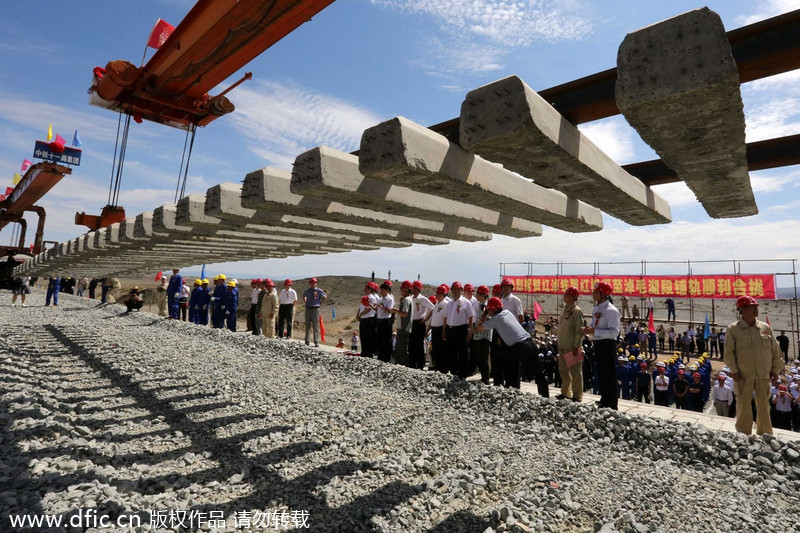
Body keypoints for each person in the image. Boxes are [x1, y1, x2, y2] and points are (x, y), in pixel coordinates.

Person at [724, 296, 784, 435]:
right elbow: (728, 353)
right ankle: (743, 433)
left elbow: (776, 351)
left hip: (763, 374)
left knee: (763, 404)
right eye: (753, 307)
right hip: (743, 375)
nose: (756, 309)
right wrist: (734, 370)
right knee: (743, 404)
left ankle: (765, 433)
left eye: (756, 307)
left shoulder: (765, 328)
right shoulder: (733, 329)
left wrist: (775, 370)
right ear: (742, 310)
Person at [475, 297, 548, 395]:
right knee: (537, 372)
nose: (488, 311)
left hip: (520, 347)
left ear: (493, 309)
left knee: (498, 359)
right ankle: (545, 396)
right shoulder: (507, 313)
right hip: (530, 342)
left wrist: (484, 313)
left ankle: (499, 386)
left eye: (489, 309)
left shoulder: (496, 319)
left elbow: (480, 326)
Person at [582, 282, 620, 409]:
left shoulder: (611, 310)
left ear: (603, 294)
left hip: (608, 345)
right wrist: (590, 329)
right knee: (602, 373)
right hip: (598, 343)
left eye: (596, 292)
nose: (593, 294)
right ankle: (604, 399)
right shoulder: (597, 308)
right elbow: (596, 325)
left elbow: (614, 332)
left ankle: (612, 404)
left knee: (609, 374)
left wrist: (595, 331)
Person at [556, 287, 584, 402]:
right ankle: (565, 392)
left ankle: (577, 395)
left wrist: (576, 345)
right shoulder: (564, 309)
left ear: (573, 297)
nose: (564, 296)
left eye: (567, 295)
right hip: (562, 344)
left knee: (575, 372)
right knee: (564, 371)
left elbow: (579, 330)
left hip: (572, 345)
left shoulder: (577, 311)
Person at [443, 281, 475, 378]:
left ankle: (463, 374)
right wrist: (444, 331)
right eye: (454, 289)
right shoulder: (449, 304)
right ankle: (453, 372)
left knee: (463, 353)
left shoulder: (466, 302)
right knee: (451, 352)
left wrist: (470, 331)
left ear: (461, 290)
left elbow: (471, 317)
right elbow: (445, 318)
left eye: (458, 289)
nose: (456, 291)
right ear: (451, 291)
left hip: (461, 330)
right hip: (450, 329)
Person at [469, 285, 493, 385]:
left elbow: (488, 320)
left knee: (484, 357)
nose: (476, 295)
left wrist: (476, 329)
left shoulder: (486, 306)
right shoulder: (480, 304)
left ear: (482, 295)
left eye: (478, 294)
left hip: (483, 335)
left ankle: (485, 378)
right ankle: (483, 377)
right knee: (479, 357)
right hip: (478, 334)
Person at [409, 280, 434, 369]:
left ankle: (420, 364)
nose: (413, 289)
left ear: (418, 289)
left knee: (419, 344)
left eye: (415, 288)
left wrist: (426, 319)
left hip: (419, 323)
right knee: (411, 343)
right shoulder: (411, 298)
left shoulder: (422, 299)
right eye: (413, 288)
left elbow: (433, 308)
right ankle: (412, 363)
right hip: (411, 323)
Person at [390, 280, 414, 366]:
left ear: (407, 289)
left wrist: (395, 311)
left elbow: (404, 314)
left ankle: (404, 365)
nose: (400, 290)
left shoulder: (406, 300)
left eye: (402, 288)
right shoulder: (407, 299)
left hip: (404, 327)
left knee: (402, 348)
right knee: (400, 348)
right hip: (403, 327)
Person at [429, 285, 450, 372]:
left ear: (443, 294)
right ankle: (437, 367)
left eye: (438, 293)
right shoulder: (437, 304)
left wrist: (444, 332)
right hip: (435, 329)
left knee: (441, 350)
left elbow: (445, 319)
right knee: (435, 349)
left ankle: (443, 368)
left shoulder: (445, 304)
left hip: (441, 329)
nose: (436, 295)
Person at [358, 282, 379, 357]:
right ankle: (364, 352)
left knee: (368, 337)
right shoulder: (366, 297)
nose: (365, 289)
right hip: (364, 319)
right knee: (363, 336)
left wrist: (361, 314)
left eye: (366, 288)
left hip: (369, 319)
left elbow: (369, 309)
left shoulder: (371, 298)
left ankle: (368, 353)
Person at [304, 277, 327, 347]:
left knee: (316, 326)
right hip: (308, 309)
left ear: (316, 283)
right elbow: (304, 296)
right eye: (311, 283)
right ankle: (307, 341)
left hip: (315, 309)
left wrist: (320, 303)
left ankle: (316, 341)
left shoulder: (319, 291)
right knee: (307, 325)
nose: (312, 284)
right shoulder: (307, 291)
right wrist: (306, 301)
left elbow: (325, 296)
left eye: (314, 283)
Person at [375, 280, 395, 360]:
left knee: (386, 339)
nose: (381, 292)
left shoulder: (389, 299)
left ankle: (386, 356)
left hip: (386, 321)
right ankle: (380, 355)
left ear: (386, 290)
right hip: (379, 320)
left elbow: (389, 310)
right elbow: (378, 309)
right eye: (380, 290)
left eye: (382, 290)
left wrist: (382, 307)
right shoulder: (380, 299)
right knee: (379, 338)